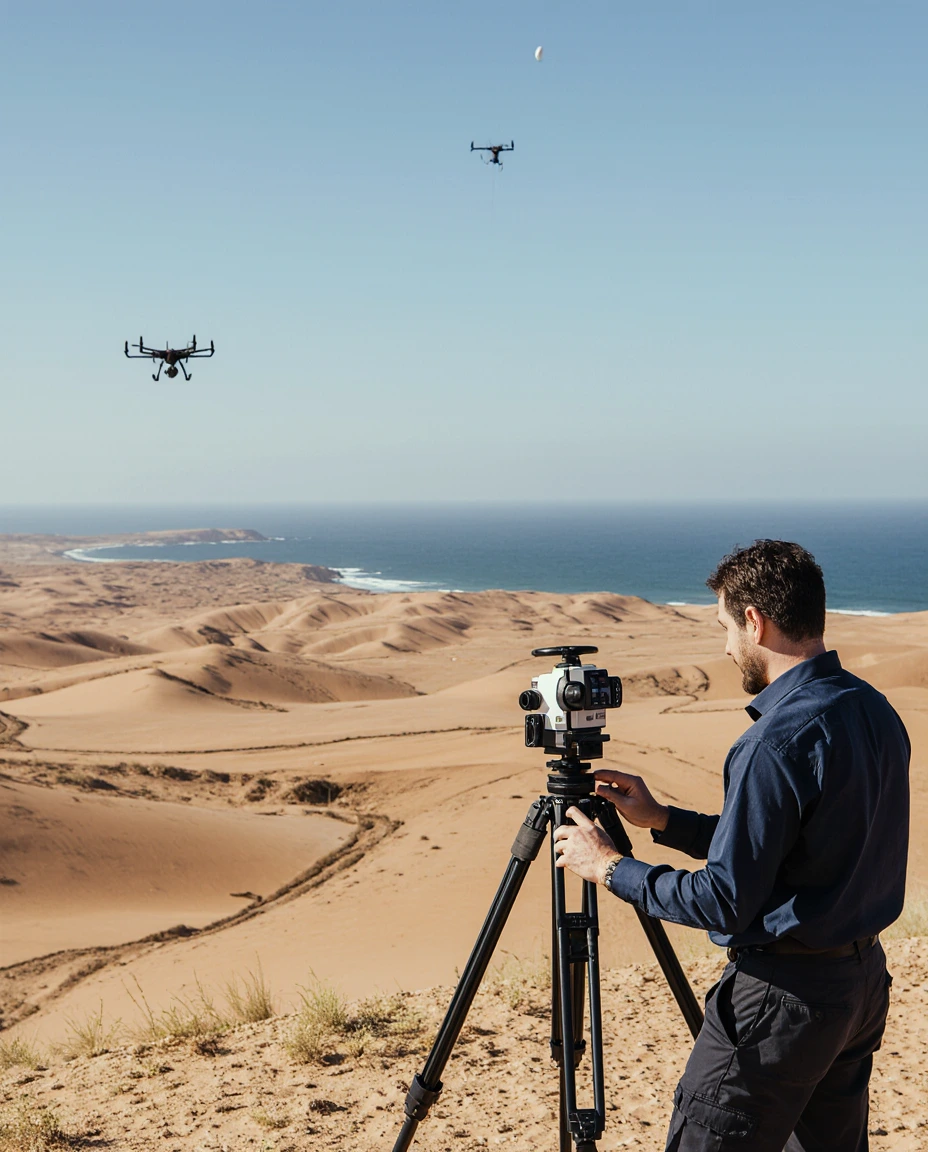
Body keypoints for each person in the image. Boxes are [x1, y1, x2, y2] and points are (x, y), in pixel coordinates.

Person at [553, 539, 910, 1151]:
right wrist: (664, 819)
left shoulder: (772, 741)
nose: (723, 645)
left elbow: (724, 900)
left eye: (724, 624)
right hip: (857, 988)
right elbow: (795, 847)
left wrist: (611, 868)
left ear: (754, 620)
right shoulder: (872, 709)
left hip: (781, 1002)